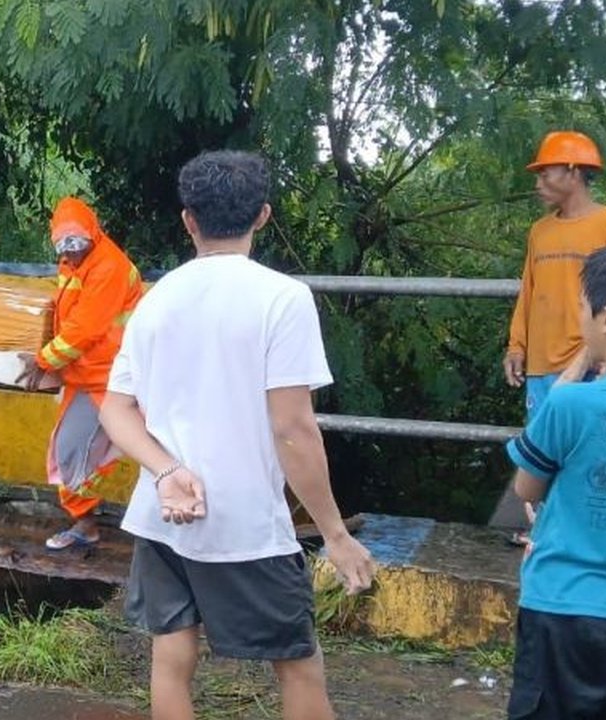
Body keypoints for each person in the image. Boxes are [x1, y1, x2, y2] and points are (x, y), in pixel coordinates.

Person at [99, 151, 374, 720]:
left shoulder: (157, 299)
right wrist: (334, 534)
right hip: (245, 524)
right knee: (298, 664)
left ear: (188, 221)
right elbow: (293, 428)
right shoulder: (281, 298)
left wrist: (167, 471)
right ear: (264, 215)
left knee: (171, 655)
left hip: (162, 513)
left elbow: (115, 410)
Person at [504, 245, 606, 720]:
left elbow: (527, 490)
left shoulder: (572, 406)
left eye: (581, 310)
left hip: (563, 605)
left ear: (604, 320)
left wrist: (580, 363)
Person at [495, 130, 606, 535]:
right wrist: (517, 344)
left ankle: (584, 532)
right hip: (543, 362)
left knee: (589, 450)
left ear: (573, 171)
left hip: (592, 363)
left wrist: (597, 356)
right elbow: (529, 290)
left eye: (545, 173)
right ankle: (542, 530)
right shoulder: (540, 232)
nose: (538, 183)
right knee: (542, 446)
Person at [20, 197, 143, 550]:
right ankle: (86, 523)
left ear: (94, 233)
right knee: (75, 450)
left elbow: (85, 329)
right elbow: (72, 317)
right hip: (89, 376)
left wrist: (44, 360)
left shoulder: (108, 267)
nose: (70, 255)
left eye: (76, 248)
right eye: (65, 249)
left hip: (107, 378)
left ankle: (87, 526)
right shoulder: (76, 259)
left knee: (73, 450)